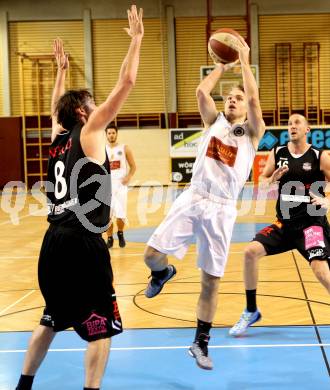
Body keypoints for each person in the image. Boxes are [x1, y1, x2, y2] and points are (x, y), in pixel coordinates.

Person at [15, 6, 143, 390]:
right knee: (101, 326)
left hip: (52, 242)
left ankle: (23, 386)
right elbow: (127, 83)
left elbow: (57, 108)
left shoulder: (58, 139)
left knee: (51, 319)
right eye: (91, 102)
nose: (98, 105)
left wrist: (61, 73)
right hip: (83, 242)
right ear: (81, 112)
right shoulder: (90, 133)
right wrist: (136, 40)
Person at [143, 34, 265, 370]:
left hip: (223, 209)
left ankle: (200, 343)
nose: (232, 99)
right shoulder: (214, 122)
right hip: (194, 197)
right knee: (151, 255)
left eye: (237, 98)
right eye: (228, 96)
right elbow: (200, 92)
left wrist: (242, 59)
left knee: (210, 280)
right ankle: (163, 273)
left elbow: (254, 100)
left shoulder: (253, 132)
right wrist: (221, 66)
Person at [229, 113, 330, 337]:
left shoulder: (319, 156)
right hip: (284, 224)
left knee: (320, 269)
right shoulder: (277, 153)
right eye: (289, 123)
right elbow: (261, 185)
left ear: (307, 130)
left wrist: (327, 199)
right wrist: (272, 178)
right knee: (249, 252)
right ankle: (251, 310)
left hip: (311, 224)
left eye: (297, 123)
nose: (292, 126)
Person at [105, 123, 136, 248]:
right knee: (107, 215)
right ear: (106, 135)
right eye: (109, 133)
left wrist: (128, 177)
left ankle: (121, 233)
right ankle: (110, 237)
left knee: (121, 214)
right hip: (106, 186)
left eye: (113, 133)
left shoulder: (124, 148)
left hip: (120, 185)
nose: (111, 135)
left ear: (116, 134)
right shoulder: (102, 149)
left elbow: (133, 166)